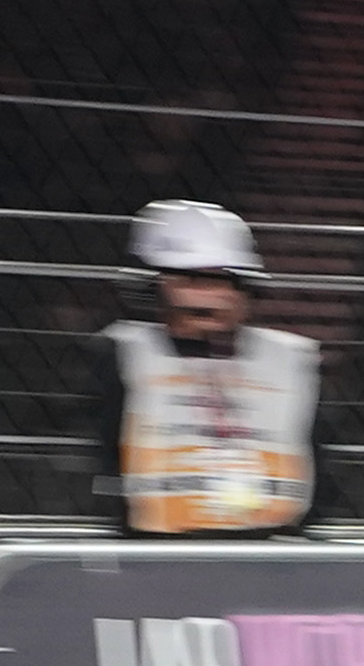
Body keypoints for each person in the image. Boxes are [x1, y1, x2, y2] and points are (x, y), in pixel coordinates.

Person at [93, 200, 325, 537]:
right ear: (157, 286)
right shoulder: (123, 354)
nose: (205, 296)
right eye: (190, 279)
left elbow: (319, 463)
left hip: (272, 553)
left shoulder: (291, 361)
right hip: (153, 552)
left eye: (220, 281)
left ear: (242, 289)